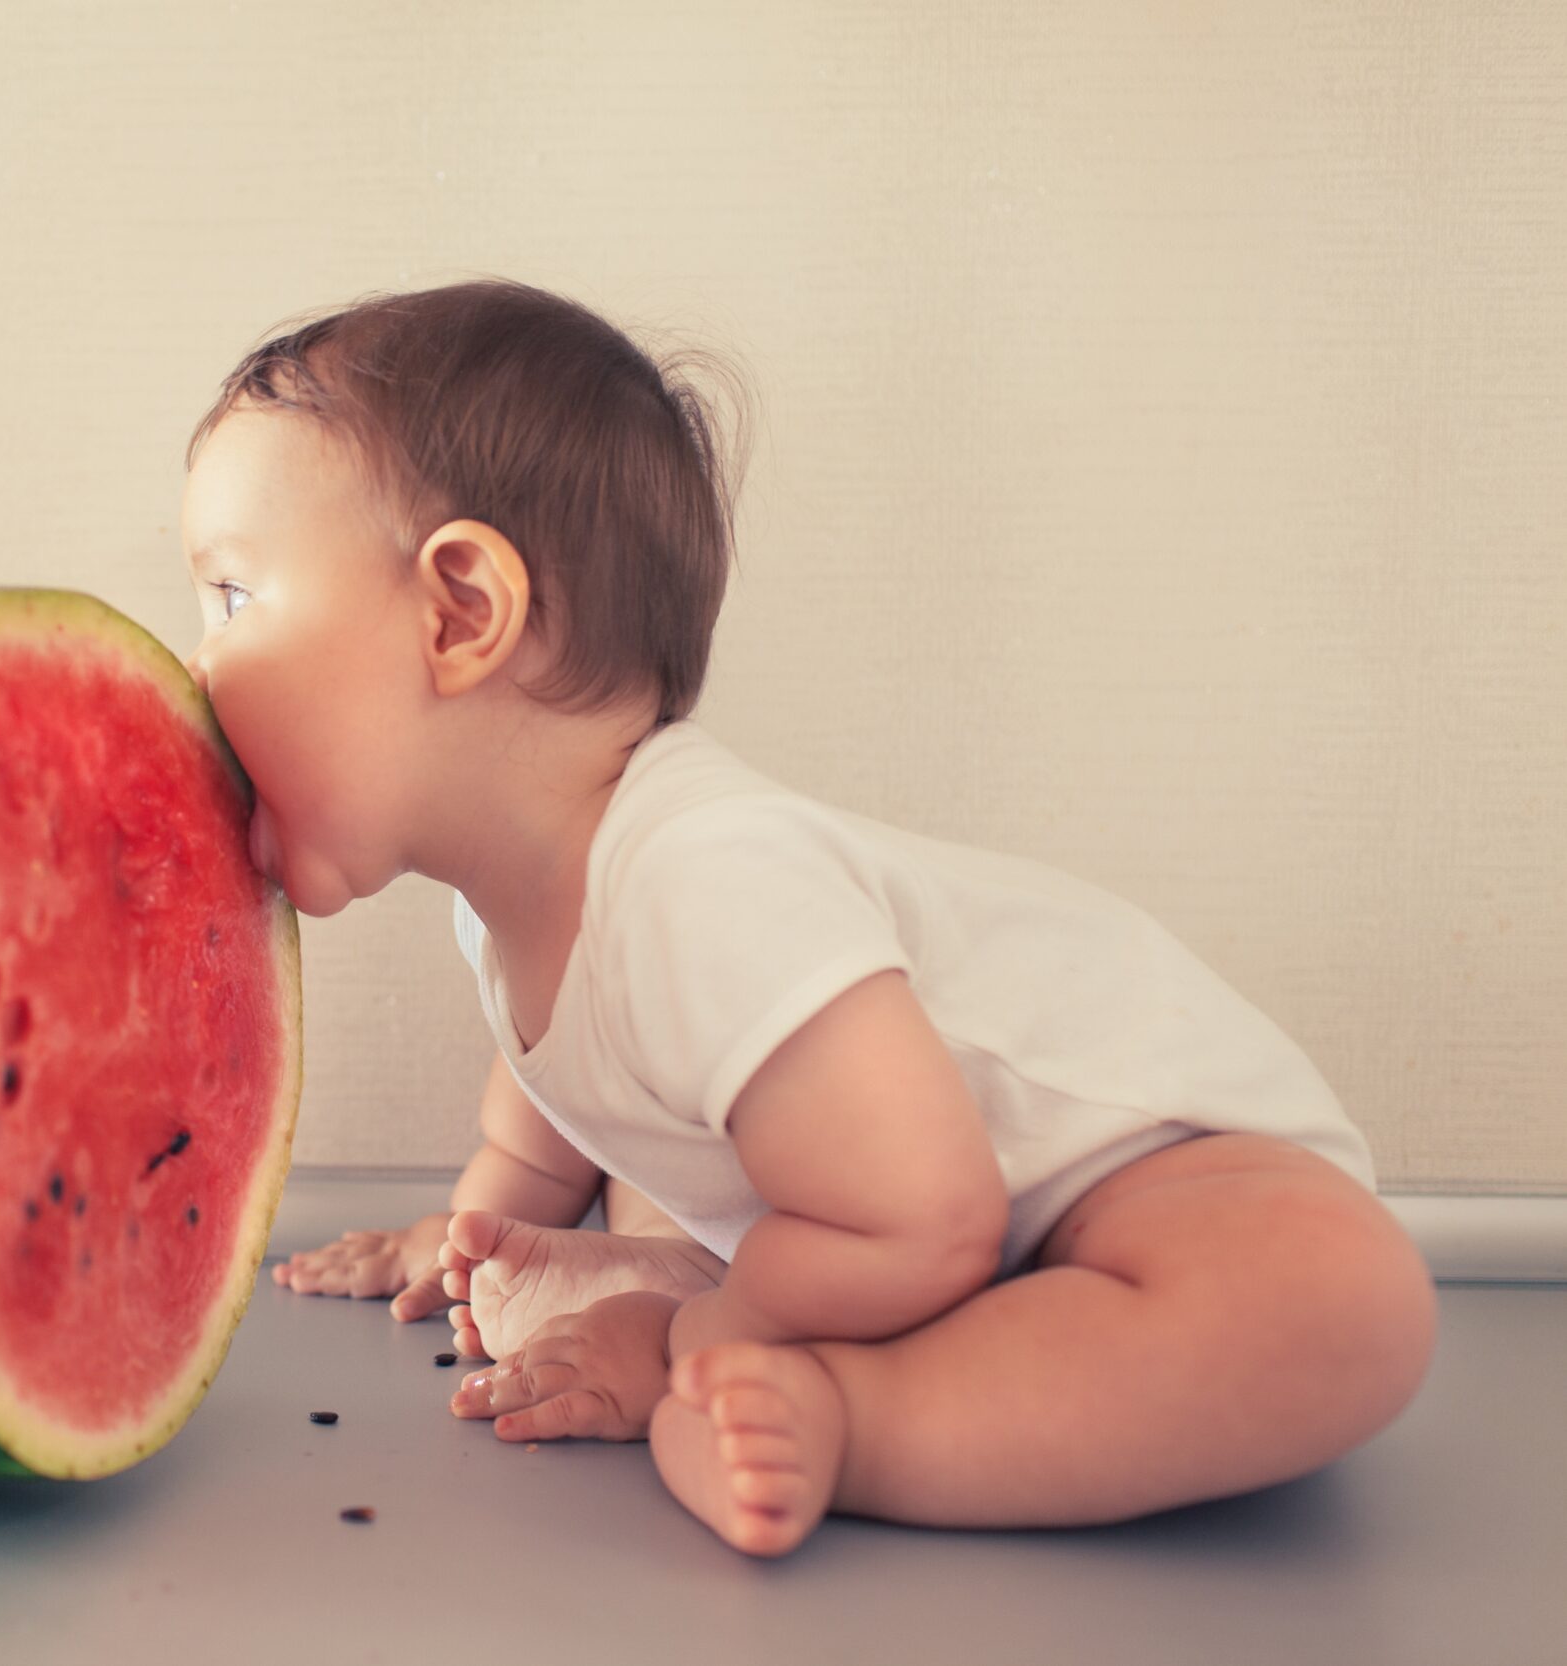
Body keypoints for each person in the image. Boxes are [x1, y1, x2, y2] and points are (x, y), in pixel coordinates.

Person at [177, 277, 1437, 1559]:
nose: (195, 668)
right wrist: (465, 1237)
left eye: (231, 596)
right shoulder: (500, 912)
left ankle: (848, 1412)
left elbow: (928, 1214)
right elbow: (548, 1112)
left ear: (461, 612)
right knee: (718, 1230)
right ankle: (726, 1322)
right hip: (921, 1244)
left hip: (1160, 1180)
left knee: (1349, 1300)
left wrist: (702, 1338)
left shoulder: (702, 875)